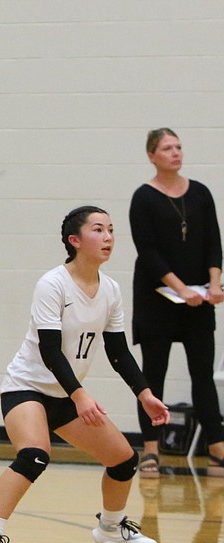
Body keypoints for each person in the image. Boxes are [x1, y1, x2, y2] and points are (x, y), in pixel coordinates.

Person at [0, 206, 170, 543]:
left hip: (65, 394)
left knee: (124, 460)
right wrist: (80, 395)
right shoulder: (53, 284)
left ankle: (110, 527)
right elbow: (49, 350)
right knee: (34, 455)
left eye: (110, 230)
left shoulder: (110, 289)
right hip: (26, 389)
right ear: (74, 241)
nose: (108, 237)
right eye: (98, 230)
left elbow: (119, 351)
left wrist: (145, 393)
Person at [130, 128, 224, 477]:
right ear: (152, 155)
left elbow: (214, 242)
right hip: (158, 299)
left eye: (178, 146)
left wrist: (213, 284)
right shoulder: (143, 197)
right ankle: (151, 449)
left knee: (202, 375)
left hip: (198, 301)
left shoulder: (200, 193)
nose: (175, 152)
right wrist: (180, 288)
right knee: (153, 375)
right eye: (167, 148)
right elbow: (148, 252)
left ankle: (217, 447)